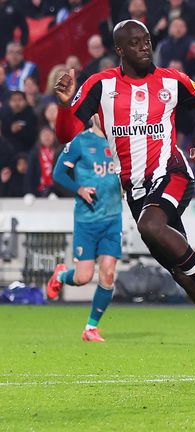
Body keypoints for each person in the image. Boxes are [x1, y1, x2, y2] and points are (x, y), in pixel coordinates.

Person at [53, 19, 195, 376]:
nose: (144, 47)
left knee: (150, 226)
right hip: (137, 189)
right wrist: (67, 106)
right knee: (180, 274)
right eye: (135, 43)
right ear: (119, 50)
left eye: (146, 40)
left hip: (172, 172)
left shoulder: (171, 80)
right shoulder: (101, 86)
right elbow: (67, 133)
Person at [46, 116, 121, 342]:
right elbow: (58, 173)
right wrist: (79, 189)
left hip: (113, 217)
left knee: (108, 274)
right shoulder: (80, 142)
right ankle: (61, 274)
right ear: (93, 116)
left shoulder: (120, 140)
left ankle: (91, 328)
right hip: (87, 220)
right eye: (99, 110)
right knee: (83, 277)